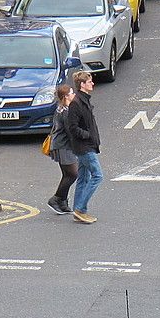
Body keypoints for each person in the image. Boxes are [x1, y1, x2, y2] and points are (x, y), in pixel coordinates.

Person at [67, 71, 103, 225]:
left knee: (83, 178)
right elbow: (73, 128)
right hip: (84, 147)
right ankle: (81, 209)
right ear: (82, 85)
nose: (92, 84)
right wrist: (88, 135)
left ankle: (78, 210)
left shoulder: (84, 100)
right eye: (89, 82)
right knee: (97, 176)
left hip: (87, 145)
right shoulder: (76, 103)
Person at [46, 84, 78, 215]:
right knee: (73, 174)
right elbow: (70, 131)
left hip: (61, 145)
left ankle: (63, 202)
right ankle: (56, 199)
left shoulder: (62, 108)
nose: (74, 95)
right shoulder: (65, 111)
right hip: (63, 146)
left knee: (67, 174)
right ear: (66, 96)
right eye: (71, 93)